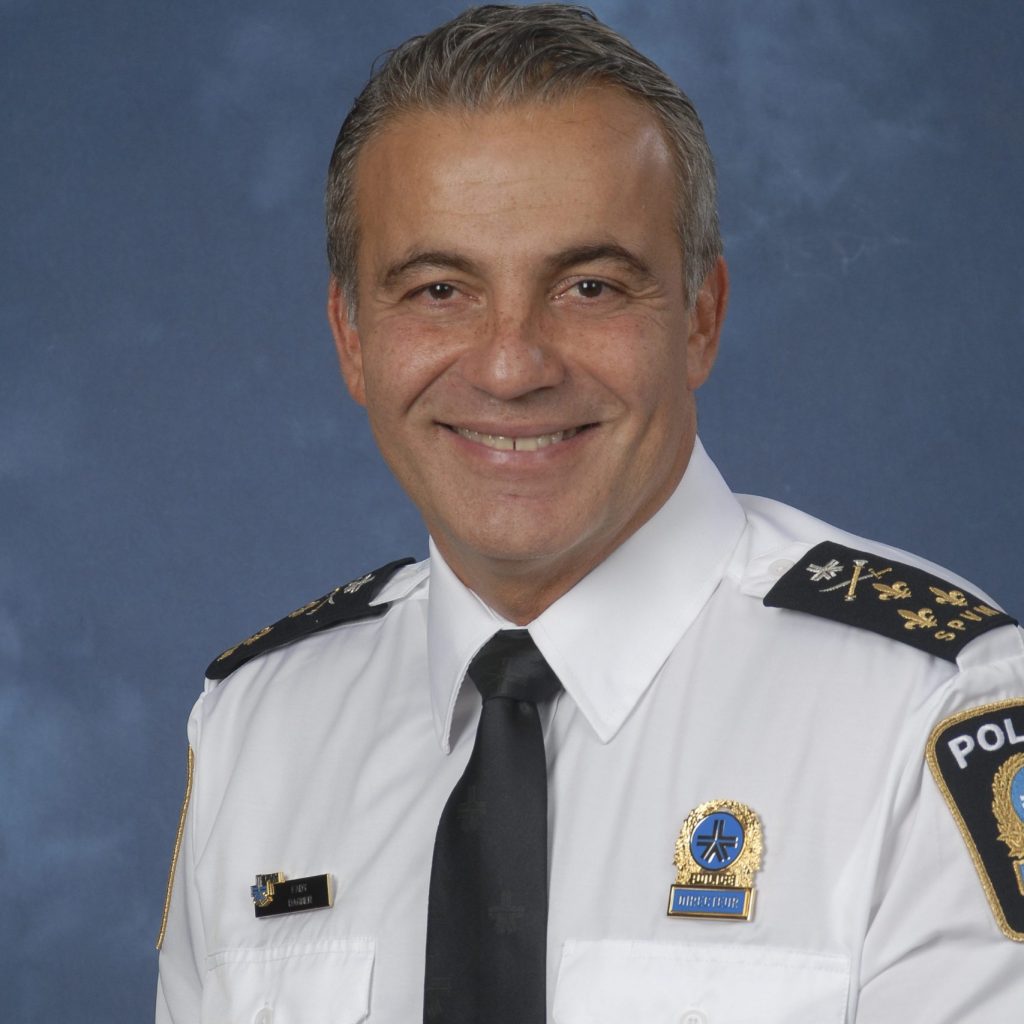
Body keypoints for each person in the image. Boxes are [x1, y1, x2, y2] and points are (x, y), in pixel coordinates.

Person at [155, 5, 1024, 1021]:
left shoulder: (926, 713)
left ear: (699, 317)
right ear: (352, 336)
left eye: (589, 285)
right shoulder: (258, 727)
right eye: (439, 289)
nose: (511, 364)